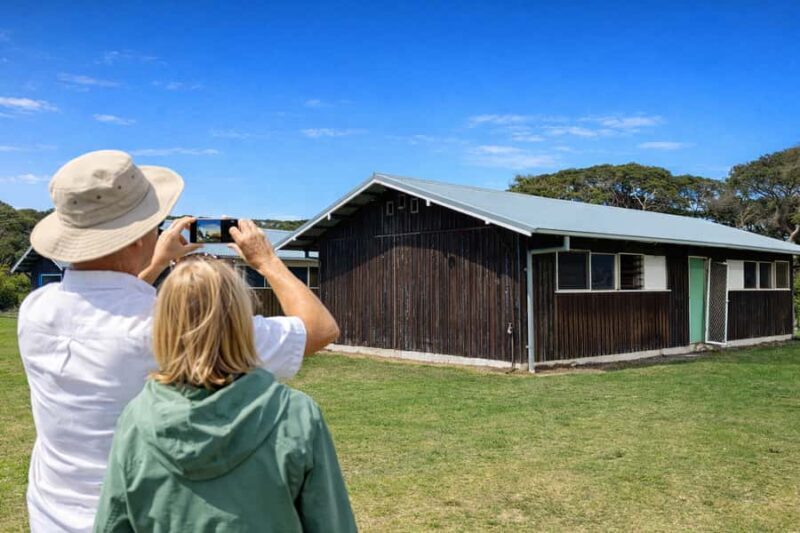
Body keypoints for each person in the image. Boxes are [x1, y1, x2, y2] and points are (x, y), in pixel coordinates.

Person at [18, 150, 340, 532]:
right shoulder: (169, 328)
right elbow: (319, 329)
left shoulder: (36, 309)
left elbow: (105, 304)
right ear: (139, 236)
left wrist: (151, 262)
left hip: (52, 513)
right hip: (144, 516)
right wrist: (266, 260)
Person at [93, 258, 357, 532]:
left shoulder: (135, 420)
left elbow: (113, 523)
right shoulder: (296, 415)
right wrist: (265, 258)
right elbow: (332, 523)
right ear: (243, 322)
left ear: (163, 326)